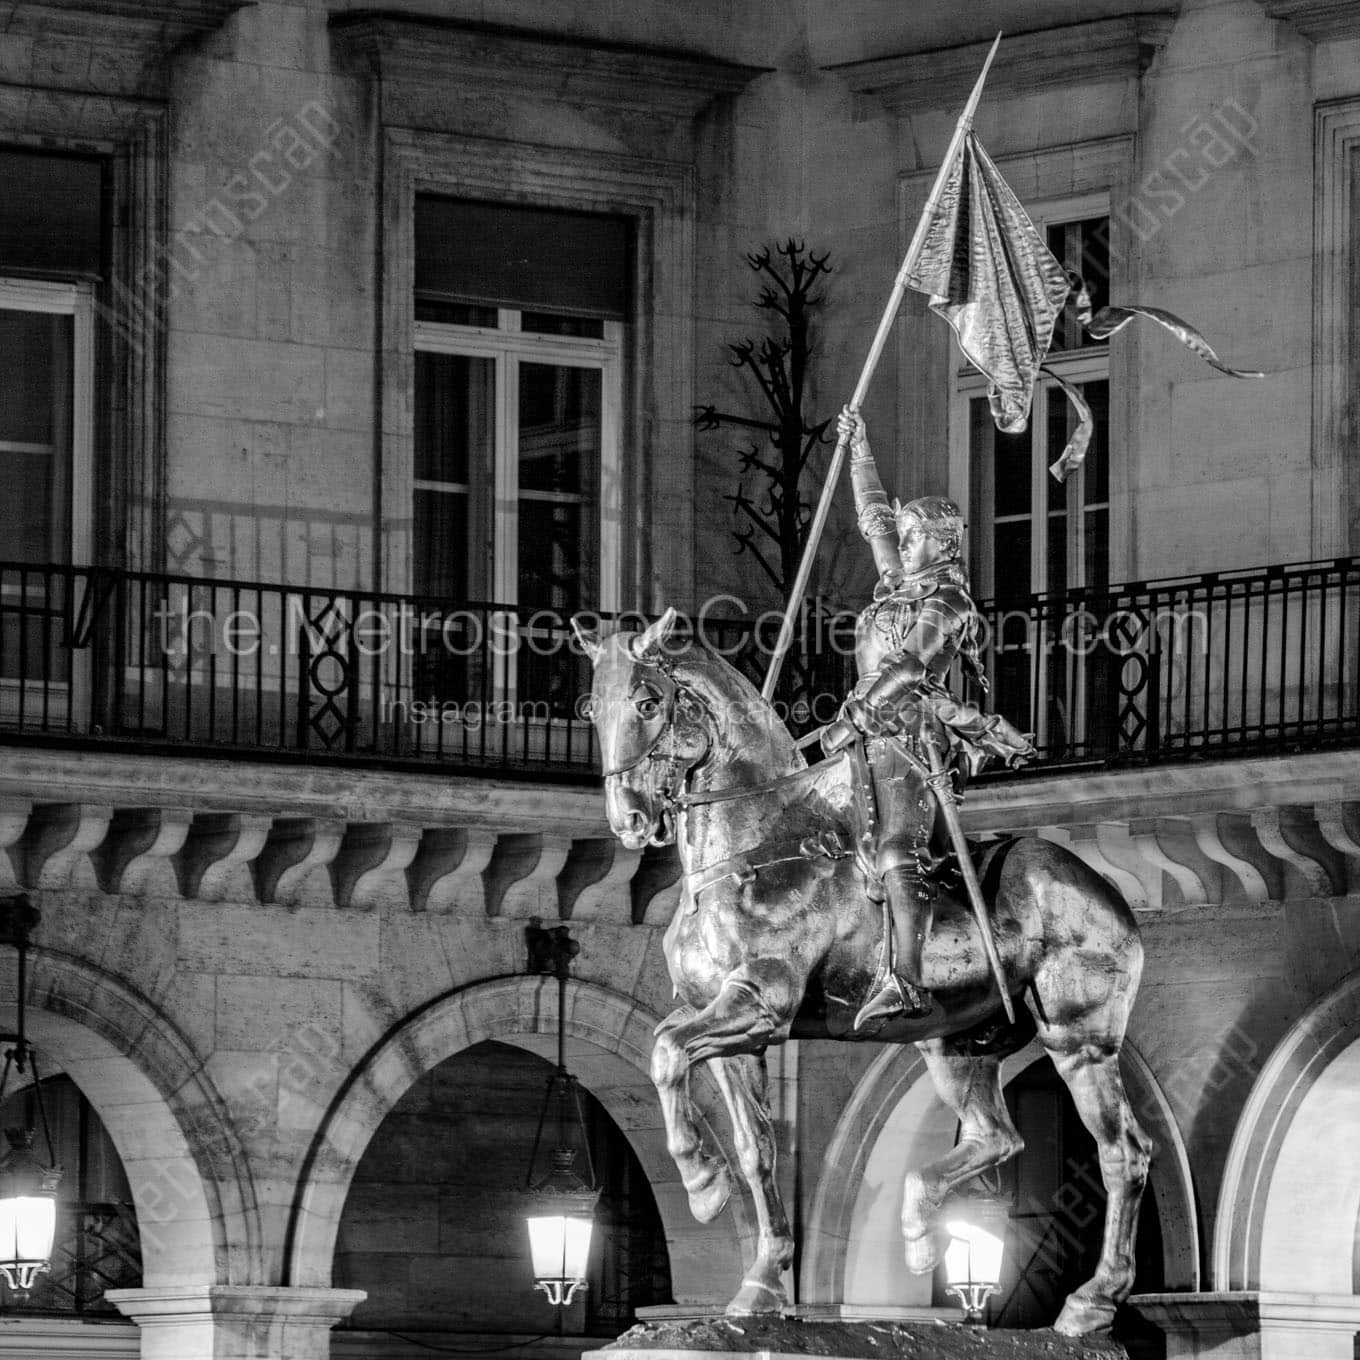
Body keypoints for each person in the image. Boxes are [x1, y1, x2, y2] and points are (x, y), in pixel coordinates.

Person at [820, 406, 1033, 1028]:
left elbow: (912, 665)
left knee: (897, 850)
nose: (903, 544)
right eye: (906, 537)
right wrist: (859, 450)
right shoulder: (899, 586)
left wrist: (857, 714)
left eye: (913, 537)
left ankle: (907, 980)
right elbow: (873, 519)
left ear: (941, 542)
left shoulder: (949, 599)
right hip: (866, 733)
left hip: (912, 737)